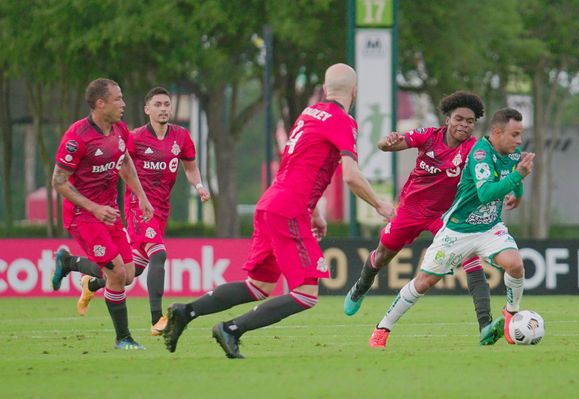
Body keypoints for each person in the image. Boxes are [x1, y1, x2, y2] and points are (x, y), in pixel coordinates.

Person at [161, 63, 396, 359]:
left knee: (257, 286)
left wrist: (314, 211)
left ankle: (186, 311)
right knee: (305, 293)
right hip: (288, 209)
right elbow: (350, 175)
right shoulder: (342, 121)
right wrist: (380, 204)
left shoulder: (308, 115)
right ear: (355, 91)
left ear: (325, 90)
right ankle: (231, 329)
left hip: (272, 202)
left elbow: (301, 165)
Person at [344, 91, 502, 347]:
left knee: (472, 260)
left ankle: (485, 326)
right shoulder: (428, 136)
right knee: (383, 255)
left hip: (448, 215)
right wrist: (386, 141)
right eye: (459, 119)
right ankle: (361, 286)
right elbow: (386, 145)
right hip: (410, 210)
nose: (464, 125)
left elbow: (489, 173)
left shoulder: (474, 148)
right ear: (448, 119)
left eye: (470, 121)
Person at [368, 107, 533, 347]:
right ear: (497, 132)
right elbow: (486, 193)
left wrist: (517, 192)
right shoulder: (480, 154)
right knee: (423, 282)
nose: (519, 141)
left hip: (489, 229)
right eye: (515, 134)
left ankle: (510, 315)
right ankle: (382, 328)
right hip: (458, 231)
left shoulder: (512, 152)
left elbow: (513, 169)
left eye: (520, 134)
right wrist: (518, 177)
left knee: (516, 265)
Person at [52, 87, 211, 336]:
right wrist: (108, 199)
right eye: (157, 104)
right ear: (147, 109)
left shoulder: (181, 137)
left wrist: (199, 186)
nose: (163, 109)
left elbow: (190, 168)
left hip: (160, 209)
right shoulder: (134, 136)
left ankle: (84, 275)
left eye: (167, 104)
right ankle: (157, 320)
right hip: (137, 207)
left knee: (129, 273)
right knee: (158, 254)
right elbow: (120, 164)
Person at [52, 78, 153, 350]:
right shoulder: (77, 137)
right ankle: (123, 338)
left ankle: (68, 263)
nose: (123, 104)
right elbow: (59, 181)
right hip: (83, 215)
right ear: (100, 104)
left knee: (128, 275)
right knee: (116, 272)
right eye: (118, 99)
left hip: (109, 212)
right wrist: (94, 207)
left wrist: (142, 196)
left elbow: (126, 162)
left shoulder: (120, 129)